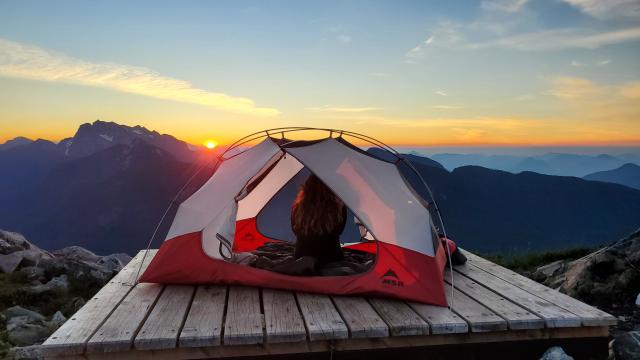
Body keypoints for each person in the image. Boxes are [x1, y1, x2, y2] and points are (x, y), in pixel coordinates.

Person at [291, 174, 346, 265]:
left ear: (307, 186)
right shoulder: (339, 206)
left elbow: (295, 230)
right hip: (331, 258)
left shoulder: (298, 206)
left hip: (301, 256)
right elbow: (339, 230)